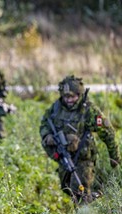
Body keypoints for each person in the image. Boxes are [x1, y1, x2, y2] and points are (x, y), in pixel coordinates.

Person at [40, 75, 121, 206]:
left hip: (84, 160)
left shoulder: (88, 110)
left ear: (79, 94)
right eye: (66, 97)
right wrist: (48, 137)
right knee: (67, 188)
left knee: (80, 194)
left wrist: (114, 158)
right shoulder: (56, 108)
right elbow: (44, 124)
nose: (69, 100)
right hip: (63, 158)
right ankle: (94, 196)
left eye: (73, 97)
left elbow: (108, 133)